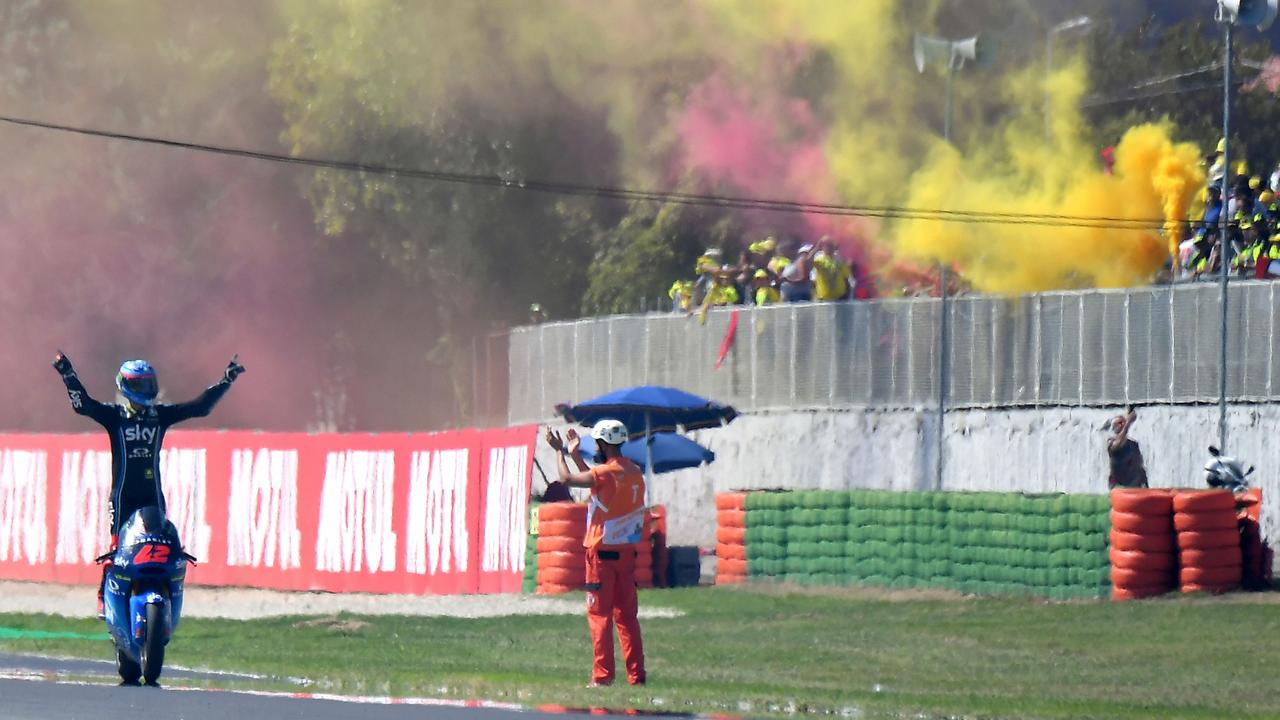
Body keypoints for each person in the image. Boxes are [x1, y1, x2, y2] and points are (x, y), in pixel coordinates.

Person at [52, 351, 245, 617]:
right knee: (117, 549)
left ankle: (162, 596)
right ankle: (103, 595)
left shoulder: (159, 416)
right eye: (139, 384)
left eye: (148, 384)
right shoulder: (114, 416)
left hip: (152, 496)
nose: (146, 390)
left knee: (159, 546)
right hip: (122, 497)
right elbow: (82, 405)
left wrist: (227, 380)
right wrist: (68, 374)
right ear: (126, 386)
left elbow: (199, 407)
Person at [545, 420, 646, 688]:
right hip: (627, 555)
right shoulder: (633, 472)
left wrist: (559, 451)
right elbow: (597, 484)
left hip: (601, 557)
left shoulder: (604, 474)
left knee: (599, 616)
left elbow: (568, 479)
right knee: (627, 619)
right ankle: (636, 676)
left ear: (601, 444)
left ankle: (603, 677)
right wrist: (576, 454)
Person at [1102, 407, 1148, 490]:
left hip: (1134, 485)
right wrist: (1128, 423)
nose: (1122, 424)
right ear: (1114, 427)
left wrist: (1144, 482)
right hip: (1119, 486)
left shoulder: (1133, 444)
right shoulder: (1111, 442)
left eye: (1123, 422)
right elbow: (1119, 442)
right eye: (1119, 423)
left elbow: (1139, 465)